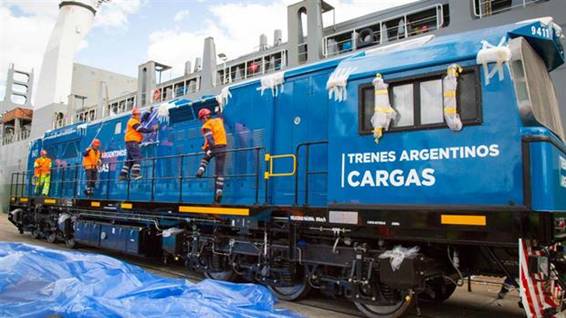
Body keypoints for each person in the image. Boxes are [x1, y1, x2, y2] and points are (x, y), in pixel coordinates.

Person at [195, 108, 227, 203]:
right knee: (219, 172)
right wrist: (218, 111)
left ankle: (201, 170)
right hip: (223, 148)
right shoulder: (218, 120)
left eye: (201, 119)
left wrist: (211, 149)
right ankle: (219, 190)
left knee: (206, 157)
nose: (202, 121)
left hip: (215, 148)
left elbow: (210, 139)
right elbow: (221, 117)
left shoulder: (206, 125)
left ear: (204, 117)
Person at [119, 107, 157, 181]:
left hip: (130, 142)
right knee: (137, 157)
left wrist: (148, 112)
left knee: (129, 160)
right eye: (138, 114)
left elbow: (142, 119)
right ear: (135, 115)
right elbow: (140, 129)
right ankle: (135, 173)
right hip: (133, 142)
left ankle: (123, 175)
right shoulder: (133, 121)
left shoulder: (135, 120)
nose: (139, 116)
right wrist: (153, 129)